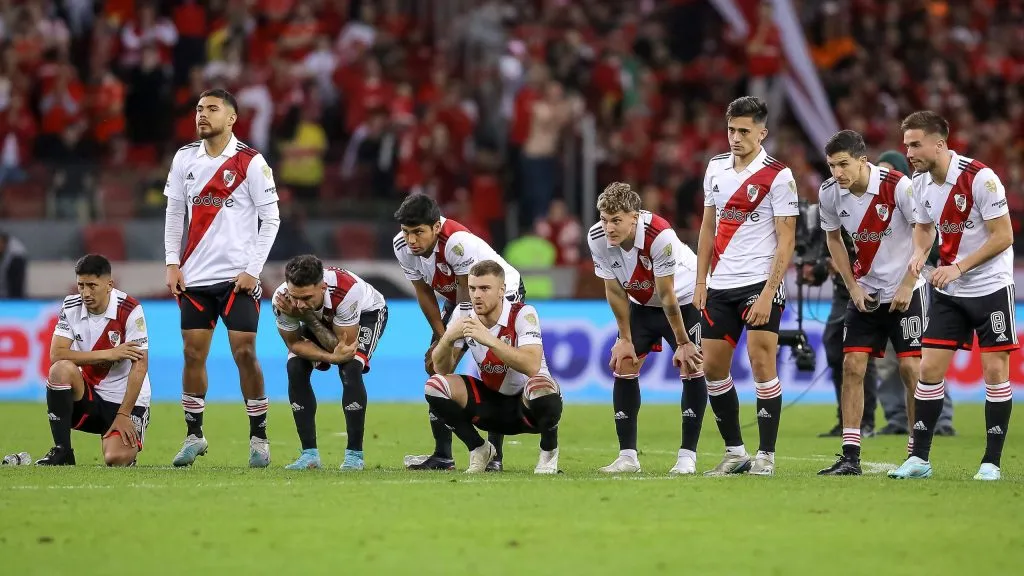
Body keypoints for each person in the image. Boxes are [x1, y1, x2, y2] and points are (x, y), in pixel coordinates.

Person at [890, 111, 1015, 481]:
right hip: (949, 289)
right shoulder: (920, 183)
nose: (909, 152)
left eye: (915, 144)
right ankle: (919, 459)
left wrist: (959, 267)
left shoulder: (981, 179)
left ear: (939, 144)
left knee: (995, 372)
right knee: (928, 370)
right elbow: (924, 227)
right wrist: (919, 253)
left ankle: (991, 463)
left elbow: (1004, 236)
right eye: (906, 145)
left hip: (990, 287)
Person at [163, 88, 281, 468]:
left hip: (237, 280)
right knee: (192, 354)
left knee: (245, 353)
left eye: (212, 109)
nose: (202, 114)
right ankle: (194, 435)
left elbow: (271, 219)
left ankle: (259, 438)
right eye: (199, 109)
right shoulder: (184, 158)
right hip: (195, 277)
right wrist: (171, 262)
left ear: (231, 118)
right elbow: (174, 213)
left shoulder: (251, 162)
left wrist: (253, 270)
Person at [695, 95, 798, 476]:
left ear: (762, 133)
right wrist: (701, 280)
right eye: (731, 130)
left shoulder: (779, 176)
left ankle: (766, 455)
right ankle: (735, 452)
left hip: (759, 282)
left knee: (761, 362)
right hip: (720, 283)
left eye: (743, 131)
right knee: (712, 367)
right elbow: (708, 226)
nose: (735, 138)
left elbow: (786, 239)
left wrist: (769, 293)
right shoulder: (715, 168)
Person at [814, 130, 925, 476]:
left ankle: (916, 454)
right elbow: (833, 239)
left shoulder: (898, 186)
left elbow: (926, 231)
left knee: (910, 370)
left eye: (843, 164)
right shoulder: (829, 192)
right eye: (831, 166)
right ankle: (850, 456)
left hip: (907, 291)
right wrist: (852, 287)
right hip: (867, 292)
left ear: (863, 161)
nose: (837, 173)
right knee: (852, 366)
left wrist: (908, 282)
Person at [393, 193, 524, 471]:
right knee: (436, 368)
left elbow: (469, 297)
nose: (411, 240)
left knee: (493, 367)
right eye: (406, 232)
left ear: (436, 227)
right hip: (458, 299)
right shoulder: (401, 246)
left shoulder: (456, 242)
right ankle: (443, 455)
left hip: (498, 292)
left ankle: (495, 456)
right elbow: (424, 292)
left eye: (418, 232)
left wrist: (454, 341)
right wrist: (441, 337)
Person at [586, 182, 704, 474]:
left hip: (683, 300)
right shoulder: (597, 237)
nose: (609, 227)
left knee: (691, 365)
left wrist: (683, 342)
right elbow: (614, 290)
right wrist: (624, 338)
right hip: (641, 303)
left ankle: (687, 457)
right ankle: (627, 457)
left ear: (634, 217)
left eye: (616, 220)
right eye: (604, 219)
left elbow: (667, 295)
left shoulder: (659, 236)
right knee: (624, 362)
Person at [427, 260, 562, 474]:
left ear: (501, 290)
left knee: (541, 386)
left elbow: (531, 365)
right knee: (435, 385)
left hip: (527, 407)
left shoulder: (523, 314)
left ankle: (548, 453)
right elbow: (442, 369)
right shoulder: (464, 314)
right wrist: (447, 339)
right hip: (490, 406)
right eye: (472, 288)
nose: (476, 295)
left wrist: (489, 339)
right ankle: (479, 449)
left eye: (484, 288)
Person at [271, 255, 388, 471]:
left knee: (350, 369)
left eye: (306, 297)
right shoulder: (283, 299)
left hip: (367, 314)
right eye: (295, 297)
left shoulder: (347, 291)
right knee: (295, 367)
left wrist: (308, 319)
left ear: (323, 287)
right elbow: (294, 343)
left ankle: (354, 455)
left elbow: (342, 349)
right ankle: (309, 455)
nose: (299, 304)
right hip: (319, 320)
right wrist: (331, 357)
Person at [36, 255, 151, 466]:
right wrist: (109, 353)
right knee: (59, 370)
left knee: (116, 459)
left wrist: (124, 413)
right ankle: (63, 451)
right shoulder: (71, 305)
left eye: (92, 286)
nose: (85, 293)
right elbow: (56, 355)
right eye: (81, 285)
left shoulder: (130, 310)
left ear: (109, 285)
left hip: (124, 403)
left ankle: (123, 435)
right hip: (89, 397)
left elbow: (140, 365)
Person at [875, 150, 955, 437]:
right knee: (887, 361)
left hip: (918, 282)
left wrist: (916, 272)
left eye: (888, 171)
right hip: (884, 287)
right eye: (879, 172)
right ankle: (897, 416)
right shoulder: (874, 207)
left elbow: (932, 243)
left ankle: (940, 418)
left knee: (923, 356)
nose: (883, 177)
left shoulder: (916, 199)